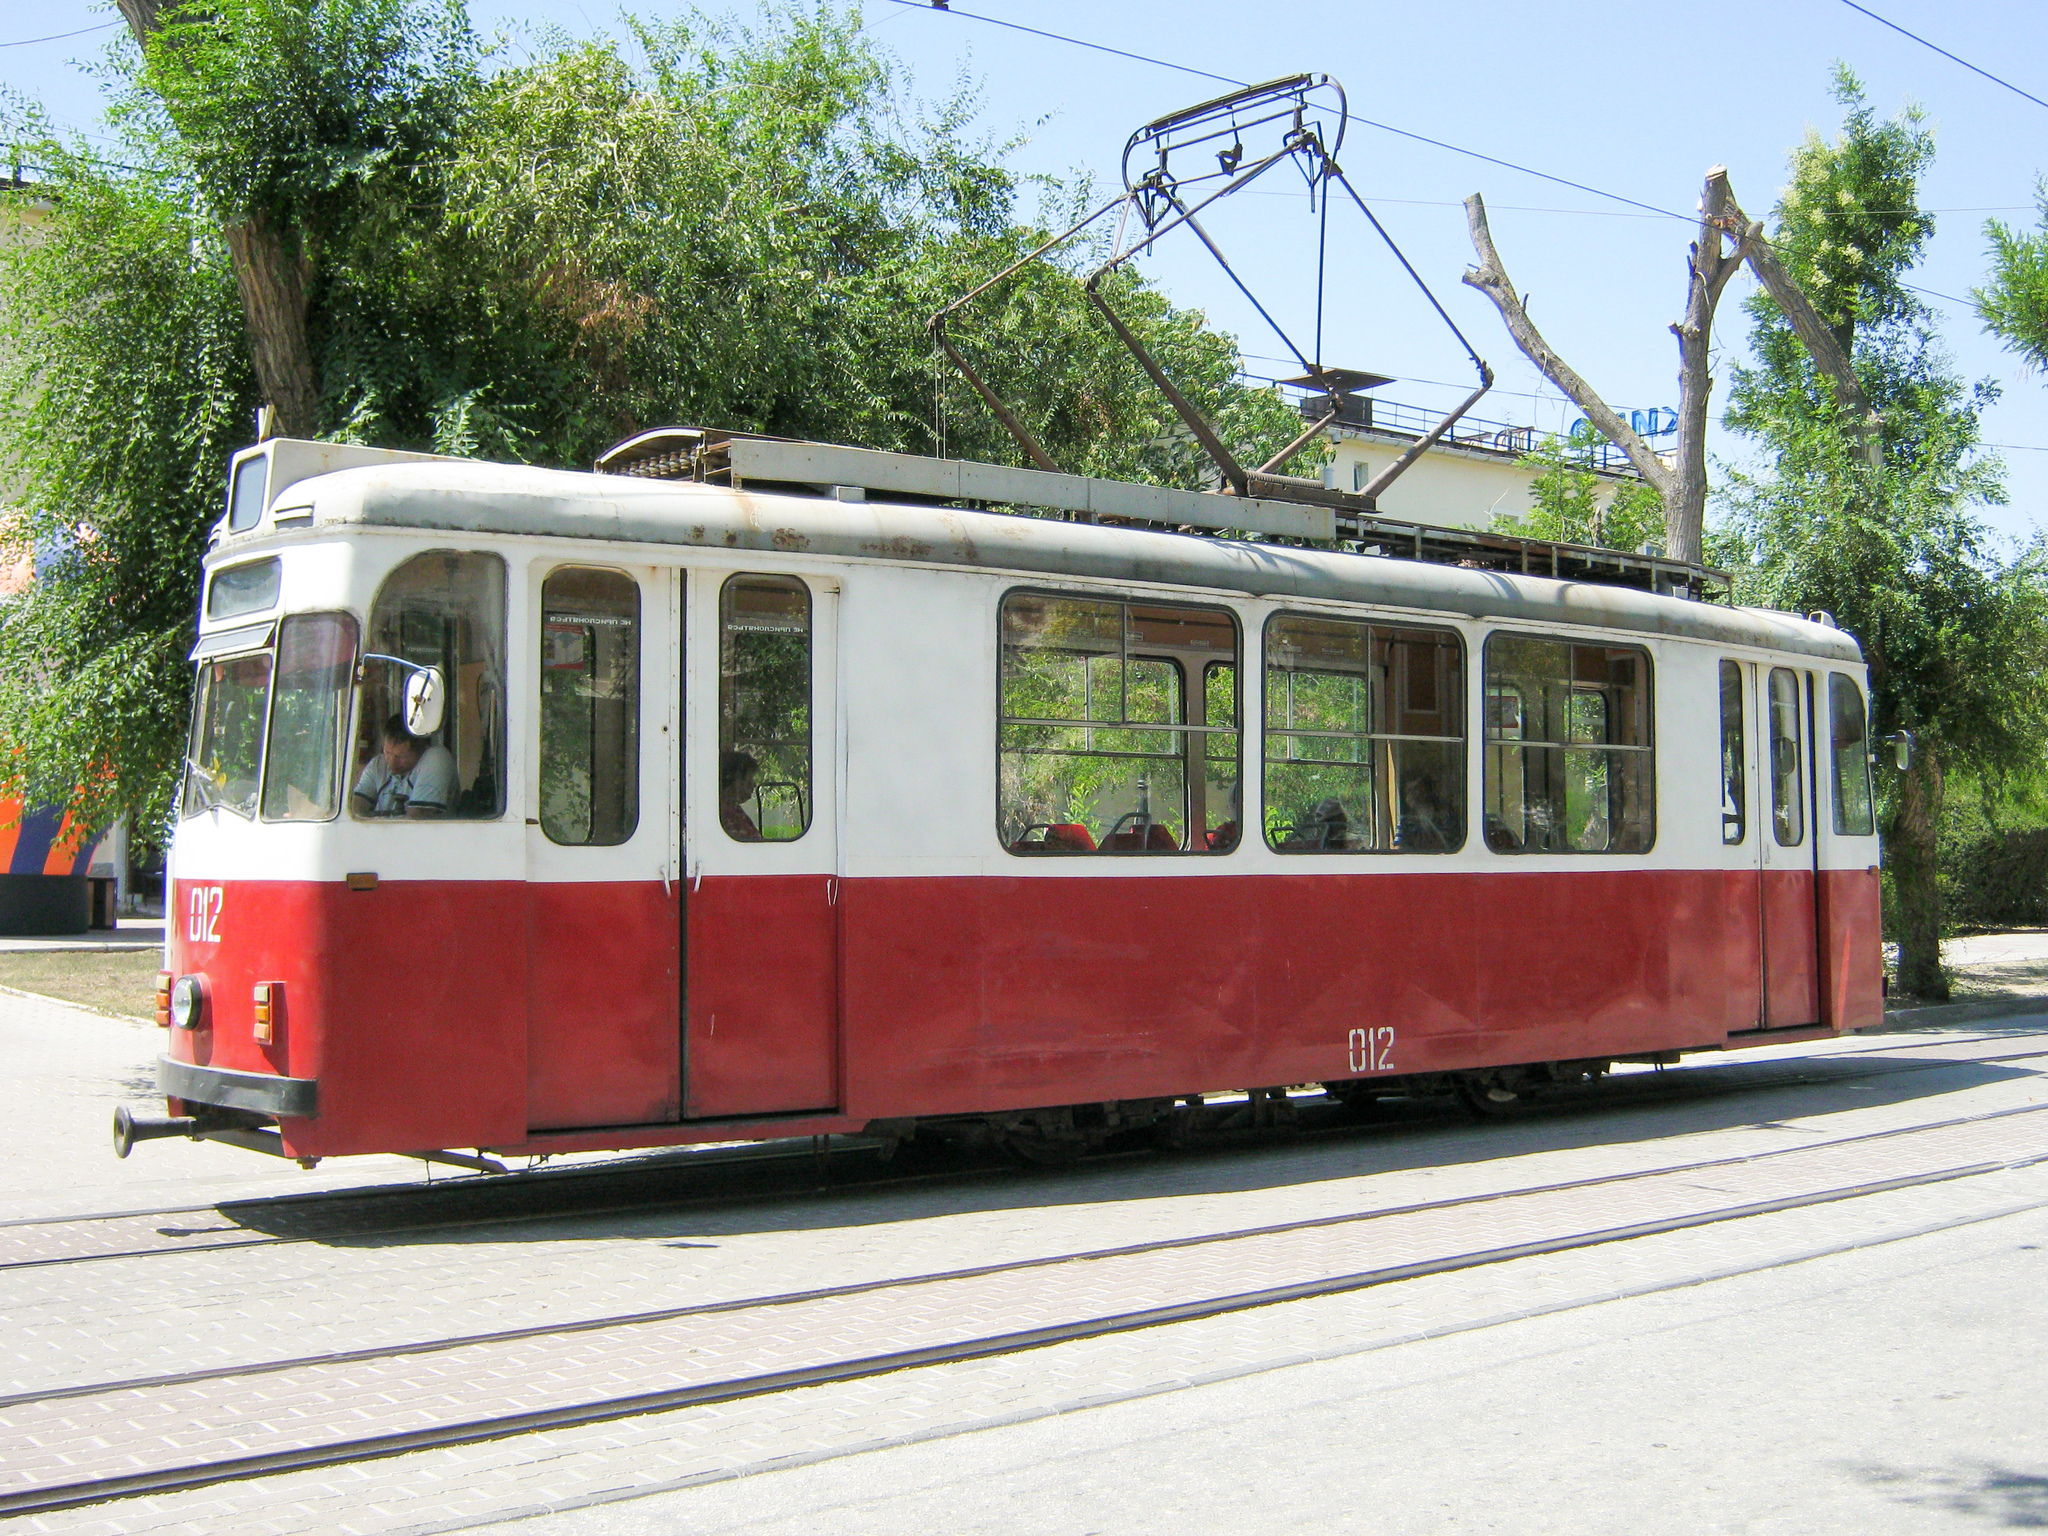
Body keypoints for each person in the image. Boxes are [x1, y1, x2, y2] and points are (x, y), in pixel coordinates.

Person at [352, 714, 458, 819]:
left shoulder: (436, 757)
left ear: (420, 750)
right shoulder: (378, 764)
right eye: (388, 753)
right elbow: (355, 808)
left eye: (400, 757)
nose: (391, 762)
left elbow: (418, 816)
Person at [1396, 767, 1448, 851]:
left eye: (1417, 789)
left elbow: (1449, 845)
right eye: (1409, 791)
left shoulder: (1444, 815)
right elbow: (1400, 847)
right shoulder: (1406, 822)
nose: (1414, 795)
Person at [720, 749, 763, 841]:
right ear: (734, 780)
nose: (754, 785)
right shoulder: (727, 816)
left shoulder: (733, 810)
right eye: (749, 779)